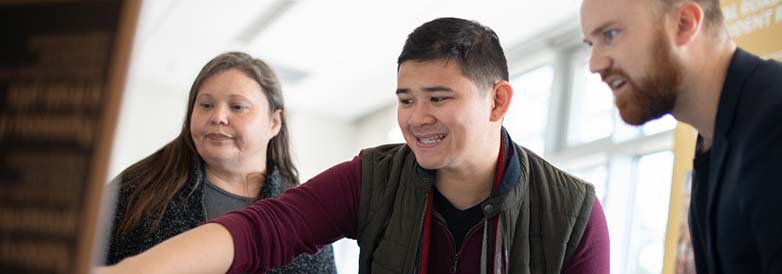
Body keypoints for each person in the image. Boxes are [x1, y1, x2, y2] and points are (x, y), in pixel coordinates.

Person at [98, 17, 610, 274]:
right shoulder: (374, 178)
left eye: (438, 97)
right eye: (406, 99)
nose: (416, 118)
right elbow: (265, 228)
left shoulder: (572, 214)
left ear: (497, 101)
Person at [580, 0, 782, 272]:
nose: (594, 64)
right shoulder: (714, 140)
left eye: (610, 35)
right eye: (591, 44)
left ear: (684, 24)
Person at [103, 52, 337, 274]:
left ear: (274, 122)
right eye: (206, 105)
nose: (217, 117)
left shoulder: (304, 214)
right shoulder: (136, 189)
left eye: (237, 107)